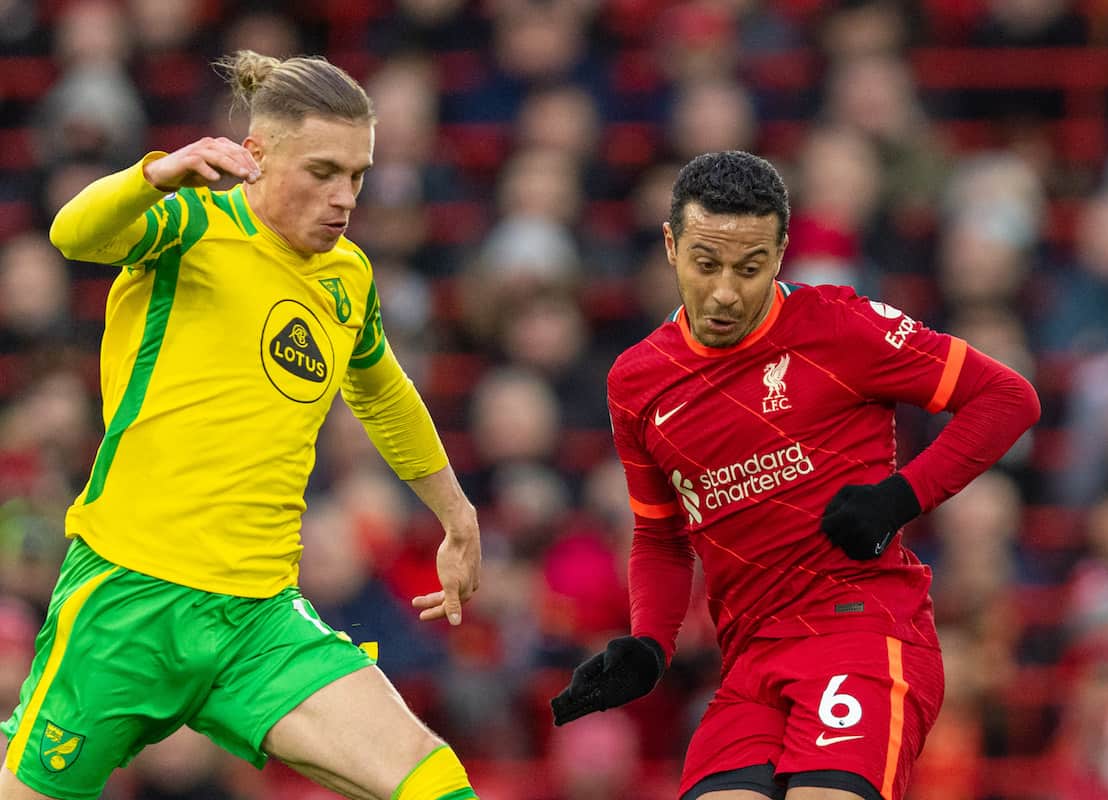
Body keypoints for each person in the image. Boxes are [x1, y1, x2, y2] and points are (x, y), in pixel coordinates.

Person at [0, 51, 481, 800]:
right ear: (256, 157)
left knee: (434, 782)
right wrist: (154, 175)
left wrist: (455, 514)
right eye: (323, 171)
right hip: (130, 601)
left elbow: (383, 392)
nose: (345, 197)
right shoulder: (188, 223)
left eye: (357, 174)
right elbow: (73, 234)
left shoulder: (347, 276)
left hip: (260, 618)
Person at [551, 151, 1040, 800]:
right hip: (750, 659)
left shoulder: (840, 326)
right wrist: (650, 645)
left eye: (750, 268)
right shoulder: (637, 382)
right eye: (706, 264)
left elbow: (1008, 400)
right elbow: (661, 536)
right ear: (671, 246)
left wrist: (900, 497)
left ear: (780, 253)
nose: (726, 290)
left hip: (861, 630)